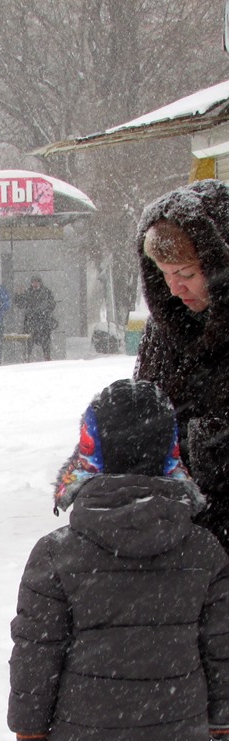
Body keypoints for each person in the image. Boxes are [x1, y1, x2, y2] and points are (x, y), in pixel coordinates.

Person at [8, 378, 229, 741]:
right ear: (169, 450)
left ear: (92, 449)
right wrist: (224, 730)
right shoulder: (203, 551)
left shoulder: (56, 553)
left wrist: (29, 732)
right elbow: (222, 651)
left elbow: (37, 653)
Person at [134, 179, 229, 550]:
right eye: (164, 275)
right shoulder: (164, 330)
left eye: (187, 274)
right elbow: (142, 411)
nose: (175, 289)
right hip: (180, 537)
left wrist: (205, 446)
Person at [13, 275, 57, 361]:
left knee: (45, 341)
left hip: (43, 321)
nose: (35, 284)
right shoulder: (28, 292)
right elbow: (20, 304)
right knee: (29, 342)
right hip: (31, 322)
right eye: (33, 282)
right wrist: (18, 295)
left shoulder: (46, 292)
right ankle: (27, 358)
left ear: (40, 282)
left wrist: (43, 308)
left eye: (37, 281)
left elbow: (52, 304)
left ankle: (47, 357)